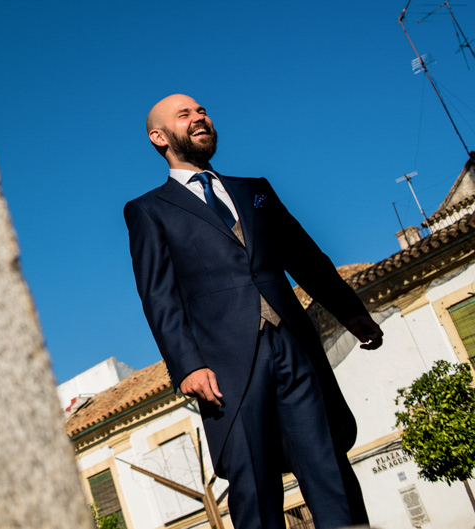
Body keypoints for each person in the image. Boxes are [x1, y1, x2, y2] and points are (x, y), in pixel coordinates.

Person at [124, 94, 383, 529]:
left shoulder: (254, 189)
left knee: (329, 470)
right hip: (225, 368)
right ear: (159, 137)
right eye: (184, 115)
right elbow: (159, 296)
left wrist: (350, 312)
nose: (199, 118)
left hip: (295, 347)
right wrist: (187, 364)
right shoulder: (149, 211)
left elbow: (306, 258)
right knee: (255, 489)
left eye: (201, 111)